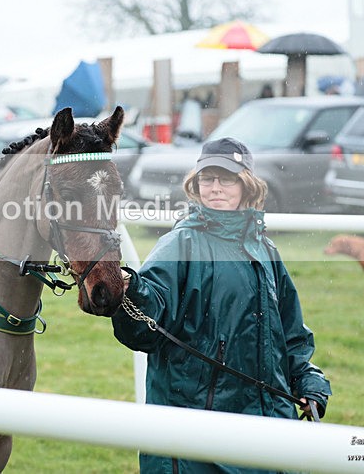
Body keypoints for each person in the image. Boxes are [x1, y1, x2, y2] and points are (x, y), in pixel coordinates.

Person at [112, 137, 331, 473]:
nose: (215, 188)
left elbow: (291, 335)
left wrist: (308, 383)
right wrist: (130, 291)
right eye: (207, 179)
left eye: (226, 179)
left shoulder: (266, 250)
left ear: (247, 185)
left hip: (268, 428)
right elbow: (144, 329)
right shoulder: (179, 244)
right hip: (195, 439)